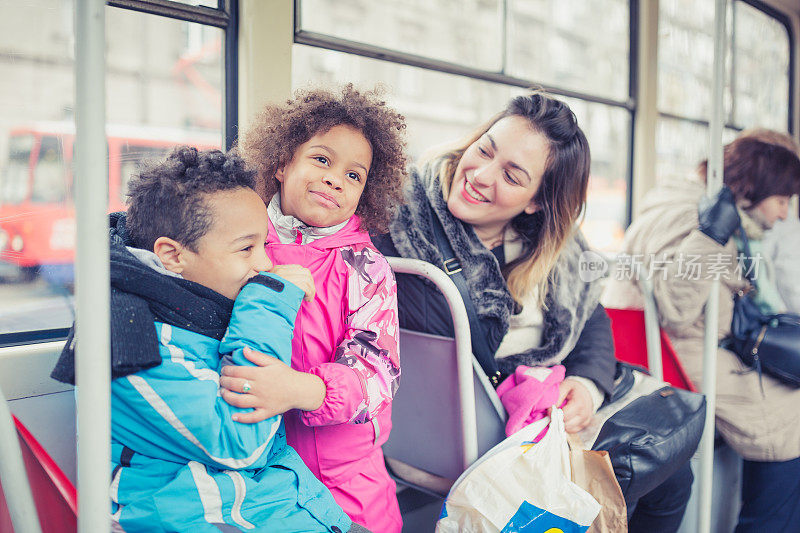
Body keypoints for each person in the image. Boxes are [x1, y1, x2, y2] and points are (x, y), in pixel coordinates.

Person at [373, 91, 693, 532]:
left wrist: (586, 385)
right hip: (476, 435)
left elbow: (590, 316)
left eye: (511, 174)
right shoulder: (402, 228)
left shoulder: (547, 250)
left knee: (670, 468)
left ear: (536, 203)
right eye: (484, 149)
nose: (481, 176)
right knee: (644, 471)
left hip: (532, 404)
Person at [51, 147, 359, 532]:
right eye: (247, 248)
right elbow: (242, 442)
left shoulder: (193, 308)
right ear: (172, 256)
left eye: (263, 245)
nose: (265, 264)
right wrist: (267, 299)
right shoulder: (129, 342)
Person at [221, 85, 407, 533]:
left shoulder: (367, 269)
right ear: (283, 163)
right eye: (322, 160)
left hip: (342, 475)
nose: (334, 180)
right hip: (248, 465)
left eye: (353, 176)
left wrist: (297, 390)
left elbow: (377, 374)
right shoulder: (238, 241)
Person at [603, 130, 800, 532]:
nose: (783, 214)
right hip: (674, 355)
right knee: (791, 417)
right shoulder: (696, 217)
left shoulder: (683, 202)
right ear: (754, 188)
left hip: (679, 345)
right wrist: (712, 235)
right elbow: (676, 307)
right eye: (781, 201)